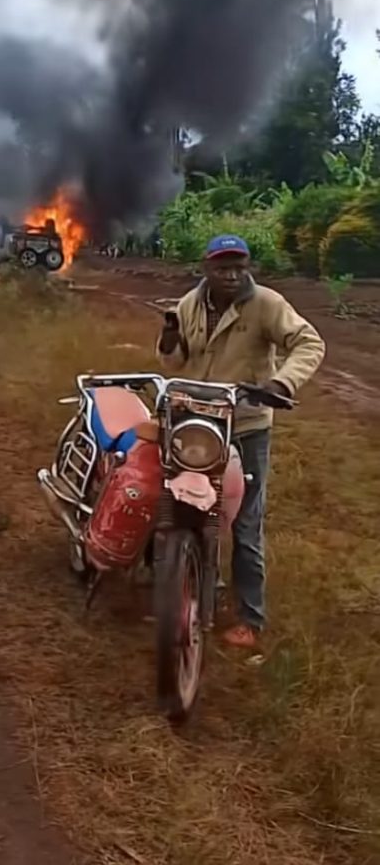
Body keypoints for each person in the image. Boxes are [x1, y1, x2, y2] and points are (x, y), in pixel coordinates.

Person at [156, 234, 326, 649]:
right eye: (222, 267)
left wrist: (280, 382)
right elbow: (175, 362)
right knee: (184, 506)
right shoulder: (188, 304)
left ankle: (251, 616)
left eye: (239, 266)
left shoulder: (266, 304)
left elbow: (310, 342)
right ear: (206, 268)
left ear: (247, 266)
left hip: (245, 425)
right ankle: (188, 583)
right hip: (196, 423)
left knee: (245, 522)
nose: (231, 274)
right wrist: (168, 340)